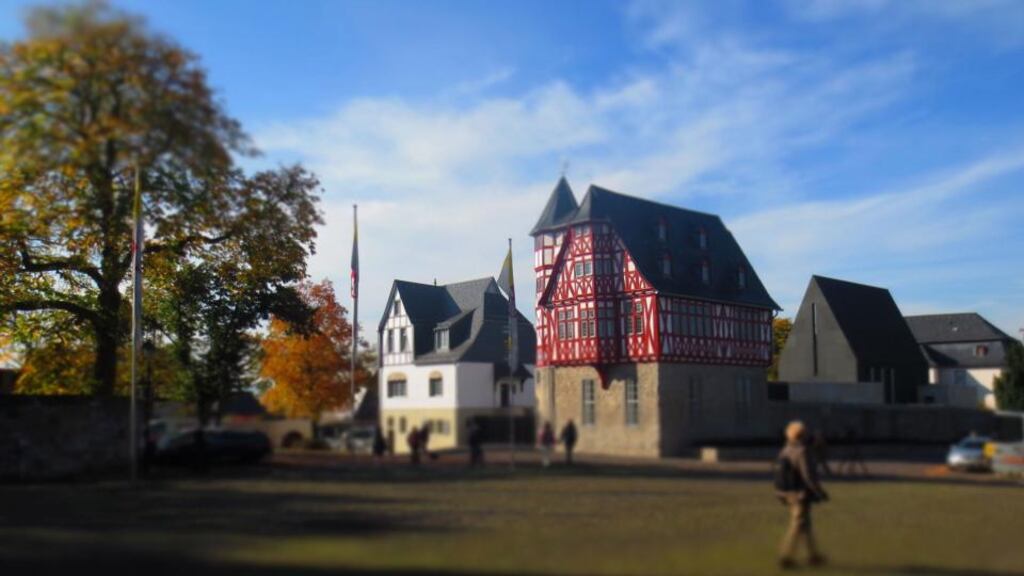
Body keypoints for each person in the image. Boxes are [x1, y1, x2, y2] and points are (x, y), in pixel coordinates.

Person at [776, 420, 829, 569]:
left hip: (786, 492)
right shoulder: (802, 451)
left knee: (806, 525)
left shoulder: (785, 449)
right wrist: (820, 492)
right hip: (799, 494)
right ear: (802, 434)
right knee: (798, 524)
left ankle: (813, 555)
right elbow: (808, 476)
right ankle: (785, 556)